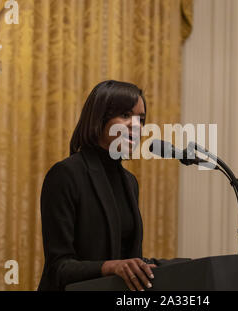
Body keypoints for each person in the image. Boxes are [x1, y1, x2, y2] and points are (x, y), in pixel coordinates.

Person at [38, 80, 185, 291]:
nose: (136, 125)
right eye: (125, 115)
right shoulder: (66, 174)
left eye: (141, 119)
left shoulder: (129, 182)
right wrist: (112, 267)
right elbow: (59, 268)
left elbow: (125, 257)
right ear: (99, 119)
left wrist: (147, 266)